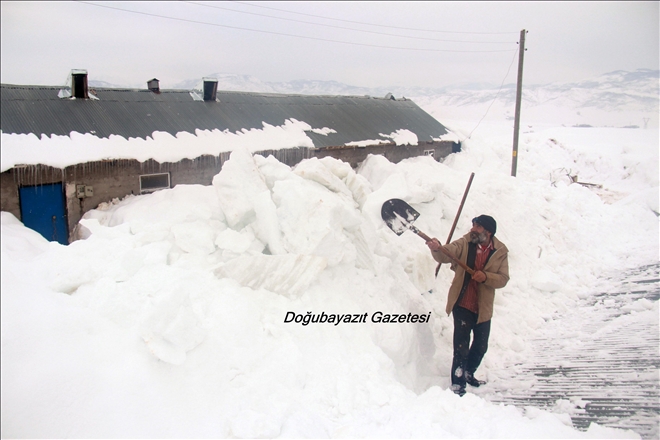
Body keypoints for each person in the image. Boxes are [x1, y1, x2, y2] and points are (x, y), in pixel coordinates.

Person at [426, 215, 509, 397]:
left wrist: (486, 277)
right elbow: (448, 252)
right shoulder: (465, 242)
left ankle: (468, 371)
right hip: (462, 302)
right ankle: (457, 382)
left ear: (488, 232)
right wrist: (437, 248)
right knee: (461, 346)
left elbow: (503, 279)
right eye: (473, 225)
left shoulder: (500, 251)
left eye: (477, 227)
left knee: (480, 346)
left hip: (483, 307)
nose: (473, 229)